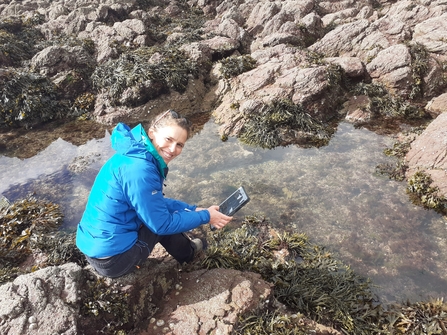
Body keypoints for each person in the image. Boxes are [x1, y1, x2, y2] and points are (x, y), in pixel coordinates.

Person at [76, 110, 233, 278]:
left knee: (159, 215)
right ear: (152, 132)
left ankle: (187, 250)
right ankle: (189, 254)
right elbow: (161, 224)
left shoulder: (133, 152)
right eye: (168, 139)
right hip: (113, 261)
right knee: (161, 224)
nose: (173, 149)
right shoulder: (141, 169)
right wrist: (206, 217)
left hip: (94, 247)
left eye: (180, 144)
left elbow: (153, 202)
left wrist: (194, 210)